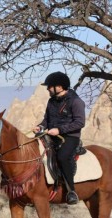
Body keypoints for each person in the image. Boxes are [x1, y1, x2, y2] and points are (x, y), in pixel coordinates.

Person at [33, 71, 85, 205]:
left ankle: (71, 191)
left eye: (49, 86)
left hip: (70, 137)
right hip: (51, 134)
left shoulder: (76, 102)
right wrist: (40, 126)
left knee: (62, 156)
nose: (47, 89)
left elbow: (80, 123)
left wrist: (60, 130)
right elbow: (47, 119)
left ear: (60, 87)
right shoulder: (51, 101)